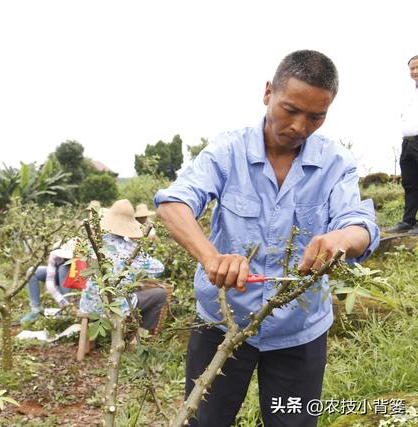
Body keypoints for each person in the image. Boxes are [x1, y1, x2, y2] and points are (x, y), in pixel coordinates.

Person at [154, 50, 379, 427]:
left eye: (315, 116)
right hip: (221, 323)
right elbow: (173, 203)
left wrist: (341, 237)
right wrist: (212, 258)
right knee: (204, 420)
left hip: (299, 331)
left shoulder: (337, 162)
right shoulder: (228, 150)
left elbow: (360, 225)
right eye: (290, 109)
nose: (299, 126)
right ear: (268, 93)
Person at [78, 199, 167, 332]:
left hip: (89, 303)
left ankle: (88, 344)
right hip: (117, 306)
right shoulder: (132, 249)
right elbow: (159, 268)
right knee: (160, 294)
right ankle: (140, 338)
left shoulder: (94, 242)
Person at [385, 54, 418, 233]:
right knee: (410, 183)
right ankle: (408, 221)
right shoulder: (410, 92)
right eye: (411, 68)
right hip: (408, 142)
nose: (414, 71)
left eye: (417, 67)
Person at [20, 239, 76, 324]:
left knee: (63, 268)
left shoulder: (80, 258)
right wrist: (62, 301)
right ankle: (36, 309)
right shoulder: (55, 255)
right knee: (32, 271)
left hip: (74, 278)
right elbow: (50, 283)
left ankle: (66, 311)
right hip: (58, 277)